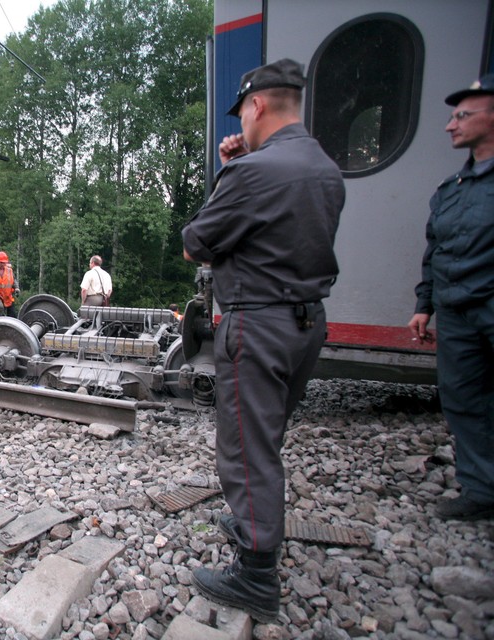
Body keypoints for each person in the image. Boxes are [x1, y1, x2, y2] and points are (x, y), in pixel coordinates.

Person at [180, 58, 344, 622]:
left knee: (246, 448)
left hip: (258, 324)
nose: (241, 124)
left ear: (257, 105)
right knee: (267, 436)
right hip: (306, 324)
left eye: (242, 112)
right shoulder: (323, 167)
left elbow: (197, 243)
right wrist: (241, 168)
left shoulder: (252, 174)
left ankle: (255, 574)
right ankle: (255, 520)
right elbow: (278, 227)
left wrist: (231, 173)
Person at [408, 74, 494, 521]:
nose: (449, 125)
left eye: (462, 115)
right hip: (457, 311)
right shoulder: (452, 188)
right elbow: (435, 248)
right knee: (463, 398)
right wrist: (425, 304)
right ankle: (481, 489)